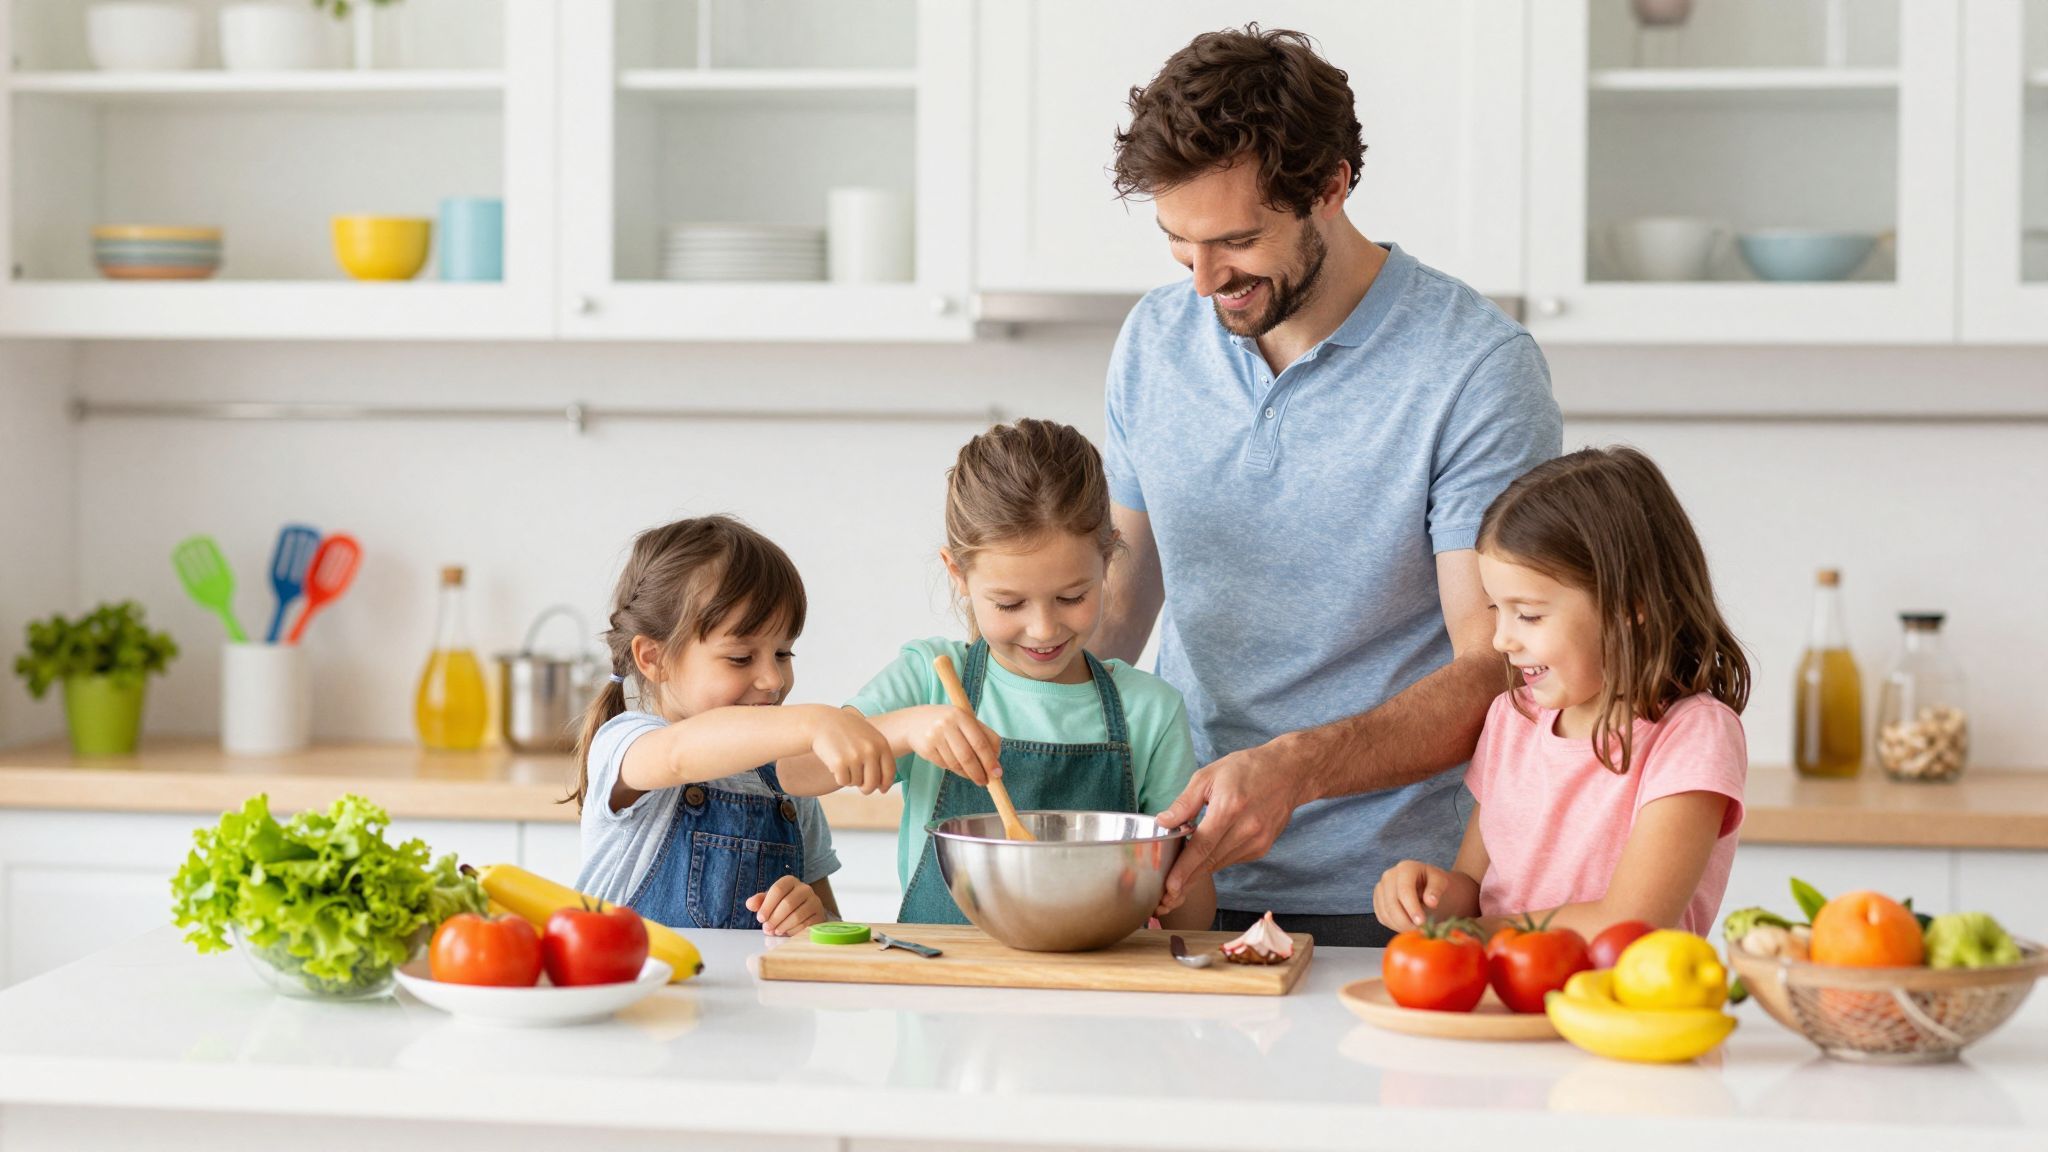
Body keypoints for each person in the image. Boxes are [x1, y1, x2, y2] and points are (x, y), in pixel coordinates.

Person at [1098, 25, 1563, 945]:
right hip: (1174, 877)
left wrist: (1299, 768)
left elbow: (1499, 665)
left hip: (1393, 896)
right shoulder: (1154, 339)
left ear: (1331, 186)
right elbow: (1116, 605)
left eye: (1236, 241)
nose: (1204, 283)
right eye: (1178, 242)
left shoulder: (1474, 369)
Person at [828, 419, 1216, 928]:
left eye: (1072, 597)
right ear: (958, 574)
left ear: (1108, 560)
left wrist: (1172, 878)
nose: (1043, 628)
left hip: (1097, 975)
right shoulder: (927, 679)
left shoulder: (1150, 711)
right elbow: (795, 771)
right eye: (1010, 603)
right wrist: (904, 729)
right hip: (941, 974)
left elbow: (1193, 921)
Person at [1373, 447, 1750, 936]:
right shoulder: (1513, 717)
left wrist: (1477, 935)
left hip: (1617, 989)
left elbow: (1629, 924)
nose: (1501, 640)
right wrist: (1429, 898)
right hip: (1499, 983)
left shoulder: (1694, 735)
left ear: (1628, 606)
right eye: (1496, 610)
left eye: (1528, 615)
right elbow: (1472, 885)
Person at [569, 515, 896, 936]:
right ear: (654, 658)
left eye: (783, 654)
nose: (774, 679)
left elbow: (831, 930)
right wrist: (815, 721)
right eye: (741, 658)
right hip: (636, 982)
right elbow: (680, 754)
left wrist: (813, 918)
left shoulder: (789, 784)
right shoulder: (626, 743)